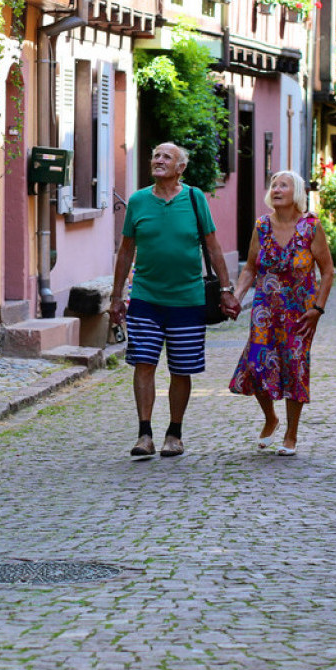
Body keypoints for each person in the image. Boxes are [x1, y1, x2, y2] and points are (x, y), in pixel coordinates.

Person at [109, 142, 240, 458]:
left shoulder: (194, 199)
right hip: (145, 297)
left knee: (182, 368)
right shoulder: (139, 201)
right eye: (155, 155)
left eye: (167, 156)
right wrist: (116, 296)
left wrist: (225, 289)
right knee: (144, 363)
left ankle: (174, 433)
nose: (158, 160)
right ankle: (144, 434)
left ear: (181, 167)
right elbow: (126, 250)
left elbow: (212, 246)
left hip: (188, 299)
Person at [229, 171, 334, 456]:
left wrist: (317, 309)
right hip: (265, 309)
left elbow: (327, 272)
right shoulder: (262, 226)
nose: (276, 189)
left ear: (296, 192)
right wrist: (237, 298)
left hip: (300, 312)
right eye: (274, 184)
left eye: (283, 185)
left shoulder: (311, 226)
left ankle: (291, 434)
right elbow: (250, 268)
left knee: (294, 365)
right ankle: (270, 418)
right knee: (256, 364)